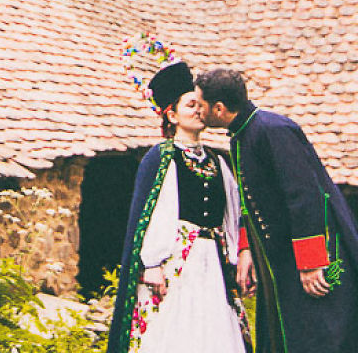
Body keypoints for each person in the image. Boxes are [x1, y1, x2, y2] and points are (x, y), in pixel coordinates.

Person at [196, 67, 358, 353]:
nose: (198, 110)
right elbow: (250, 200)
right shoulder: (240, 137)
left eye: (201, 104)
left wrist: (310, 261)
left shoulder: (273, 130)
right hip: (279, 259)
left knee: (323, 334)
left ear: (219, 108)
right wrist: (246, 249)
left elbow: (304, 195)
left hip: (315, 256)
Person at [107, 59, 251, 353]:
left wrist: (238, 255)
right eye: (190, 106)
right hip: (176, 263)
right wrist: (151, 265)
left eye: (200, 105)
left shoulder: (218, 160)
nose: (199, 111)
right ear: (171, 115)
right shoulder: (161, 158)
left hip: (214, 262)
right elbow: (152, 215)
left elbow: (233, 213)